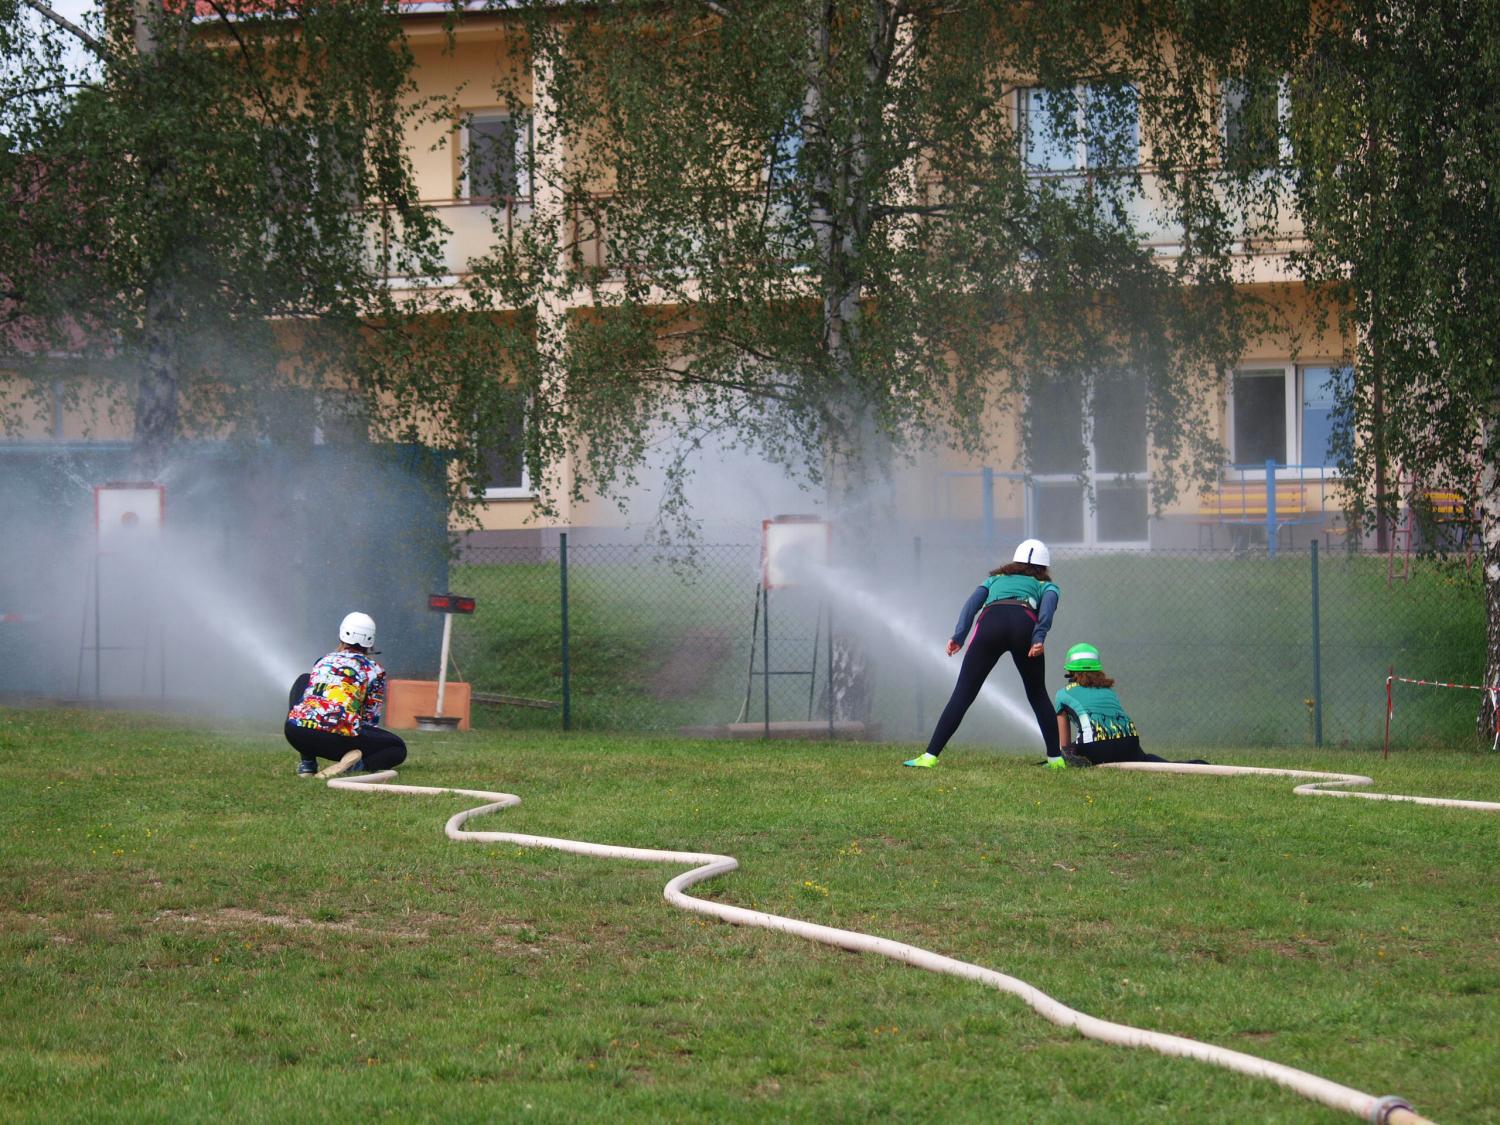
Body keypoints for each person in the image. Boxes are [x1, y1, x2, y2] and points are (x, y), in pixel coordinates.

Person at [904, 538, 1063, 768]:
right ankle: (1056, 760)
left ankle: (929, 757)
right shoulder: (1046, 586)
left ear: (1015, 561)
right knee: (1037, 694)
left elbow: (971, 605)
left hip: (990, 623)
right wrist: (1038, 638)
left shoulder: (994, 579)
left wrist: (958, 636)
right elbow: (1047, 608)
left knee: (963, 693)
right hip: (1024, 624)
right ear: (1044, 567)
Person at [285, 611, 407, 779]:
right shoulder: (375, 670)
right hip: (338, 740)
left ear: (342, 635)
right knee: (397, 748)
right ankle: (354, 767)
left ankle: (307, 764)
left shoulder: (322, 661)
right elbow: (370, 719)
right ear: (371, 640)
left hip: (296, 734)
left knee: (303, 679)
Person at [1051, 642, 1205, 767]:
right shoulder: (1108, 691)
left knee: (1067, 752)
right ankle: (1189, 765)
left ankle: (1079, 762)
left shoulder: (1063, 694)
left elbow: (1063, 743)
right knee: (1145, 759)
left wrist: (1064, 754)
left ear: (1070, 670)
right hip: (1130, 743)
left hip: (1095, 748)